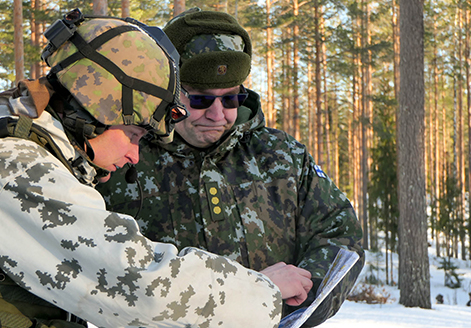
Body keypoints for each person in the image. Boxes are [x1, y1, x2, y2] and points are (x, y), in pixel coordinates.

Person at [0, 10, 313, 328]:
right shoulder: (14, 168)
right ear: (97, 111)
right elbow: (143, 285)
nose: (135, 155)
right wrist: (263, 289)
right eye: (134, 134)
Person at [97, 7, 365, 326]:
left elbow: (340, 234)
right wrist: (252, 295)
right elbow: (103, 268)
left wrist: (295, 306)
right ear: (169, 92)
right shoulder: (124, 156)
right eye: (199, 100)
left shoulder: (282, 154)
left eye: (230, 99)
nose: (218, 115)